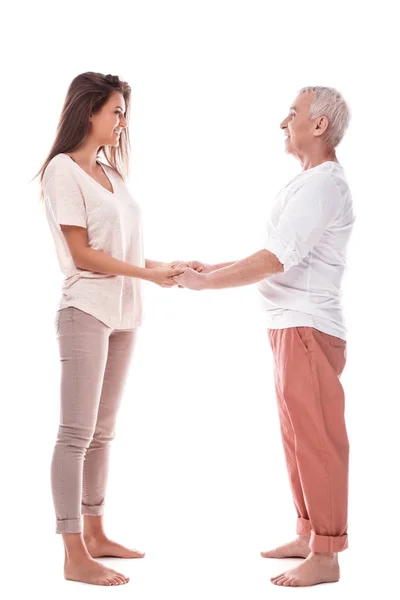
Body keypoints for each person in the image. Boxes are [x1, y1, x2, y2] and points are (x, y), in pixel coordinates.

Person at [175, 86, 355, 587]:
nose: (283, 122)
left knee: (317, 441)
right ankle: (308, 533)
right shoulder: (307, 184)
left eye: (292, 114)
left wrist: (207, 283)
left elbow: (278, 259)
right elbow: (275, 251)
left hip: (307, 328)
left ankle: (327, 555)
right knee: (296, 437)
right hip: (287, 327)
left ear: (318, 125)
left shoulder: (323, 185)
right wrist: (213, 266)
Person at [36, 72, 186, 586]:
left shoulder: (109, 173)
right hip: (85, 311)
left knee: (102, 433)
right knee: (75, 433)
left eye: (125, 113)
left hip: (124, 312)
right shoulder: (62, 171)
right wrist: (146, 274)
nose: (123, 122)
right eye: (116, 111)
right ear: (89, 111)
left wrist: (164, 266)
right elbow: (81, 254)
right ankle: (73, 551)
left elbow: (117, 251)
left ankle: (97, 533)